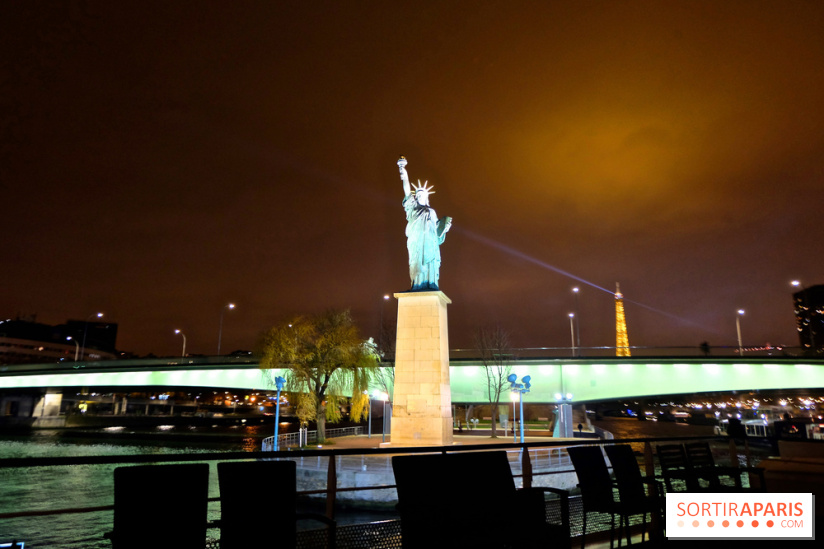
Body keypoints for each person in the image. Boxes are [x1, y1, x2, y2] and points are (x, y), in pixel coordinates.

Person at [398, 156, 452, 291]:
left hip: (430, 245)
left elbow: (437, 234)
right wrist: (404, 173)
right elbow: (406, 189)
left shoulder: (432, 212)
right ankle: (417, 286)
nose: (420, 195)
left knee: (430, 265)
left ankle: (430, 284)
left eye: (422, 193)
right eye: (418, 193)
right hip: (417, 243)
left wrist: (444, 228)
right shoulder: (412, 208)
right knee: (416, 265)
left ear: (427, 197)